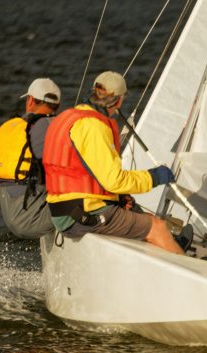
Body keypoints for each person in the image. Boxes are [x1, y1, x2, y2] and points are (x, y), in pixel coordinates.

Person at [42, 71, 184, 255]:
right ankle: (196, 279)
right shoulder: (94, 126)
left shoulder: (67, 117)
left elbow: (81, 169)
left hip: (63, 211)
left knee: (143, 217)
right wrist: (154, 177)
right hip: (82, 215)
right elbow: (114, 181)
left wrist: (117, 198)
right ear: (117, 102)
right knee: (157, 227)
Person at [0, 78, 61, 239]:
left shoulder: (13, 127)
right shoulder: (54, 126)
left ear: (30, 100)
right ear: (57, 104)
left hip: (11, 218)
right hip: (34, 219)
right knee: (93, 202)